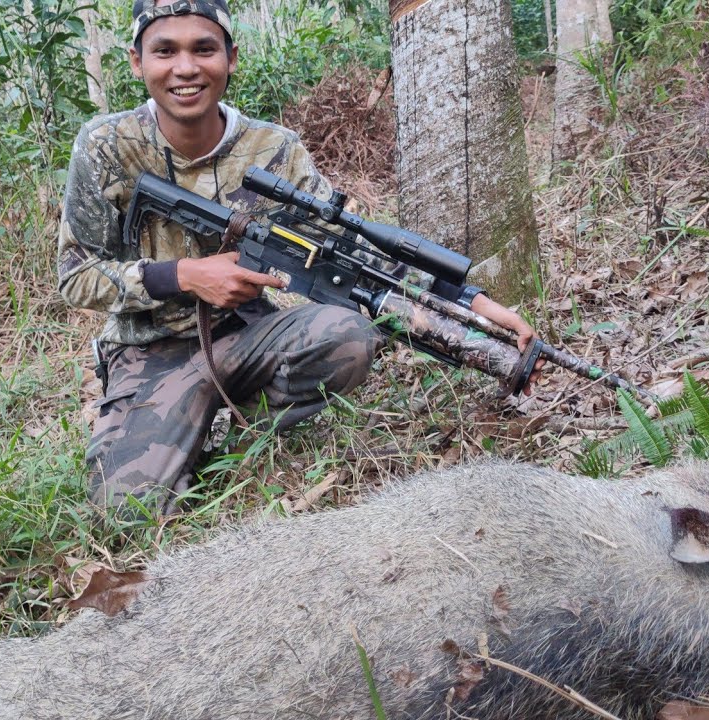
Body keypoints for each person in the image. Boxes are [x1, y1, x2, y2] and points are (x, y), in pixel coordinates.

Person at [58, 0, 539, 515]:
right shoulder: (107, 146)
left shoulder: (273, 149)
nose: (185, 68)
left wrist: (470, 302)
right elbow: (77, 278)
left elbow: (355, 248)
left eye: (203, 49)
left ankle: (237, 432)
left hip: (249, 336)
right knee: (124, 508)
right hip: (150, 349)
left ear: (230, 57)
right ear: (137, 62)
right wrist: (184, 275)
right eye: (165, 51)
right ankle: (175, 423)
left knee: (347, 337)